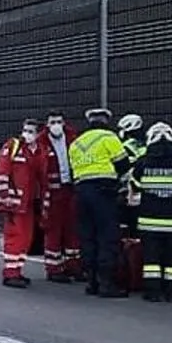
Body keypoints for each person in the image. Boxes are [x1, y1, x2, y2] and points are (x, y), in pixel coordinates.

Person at [68, 107, 133, 297]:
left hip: (81, 193)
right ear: (105, 121)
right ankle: (106, 283)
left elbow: (72, 171)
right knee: (107, 236)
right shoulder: (109, 137)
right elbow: (123, 164)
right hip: (104, 193)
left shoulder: (76, 143)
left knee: (87, 237)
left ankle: (92, 282)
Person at [129, 122, 172, 302]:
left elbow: (135, 184)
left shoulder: (143, 162)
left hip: (149, 220)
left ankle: (153, 292)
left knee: (151, 259)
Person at [0, 119, 45, 288]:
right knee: (15, 237)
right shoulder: (13, 146)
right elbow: (1, 172)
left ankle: (17, 270)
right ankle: (10, 273)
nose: (27, 134)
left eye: (31, 131)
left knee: (25, 238)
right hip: (13, 202)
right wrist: (4, 195)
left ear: (38, 134)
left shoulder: (38, 151)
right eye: (25, 130)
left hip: (29, 203)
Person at [38, 110, 81, 283]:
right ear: (47, 125)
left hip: (70, 189)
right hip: (51, 192)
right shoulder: (41, 141)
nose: (56, 125)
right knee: (53, 229)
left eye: (59, 122)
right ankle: (53, 268)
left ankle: (73, 265)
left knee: (73, 229)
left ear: (64, 123)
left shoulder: (72, 138)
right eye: (52, 122)